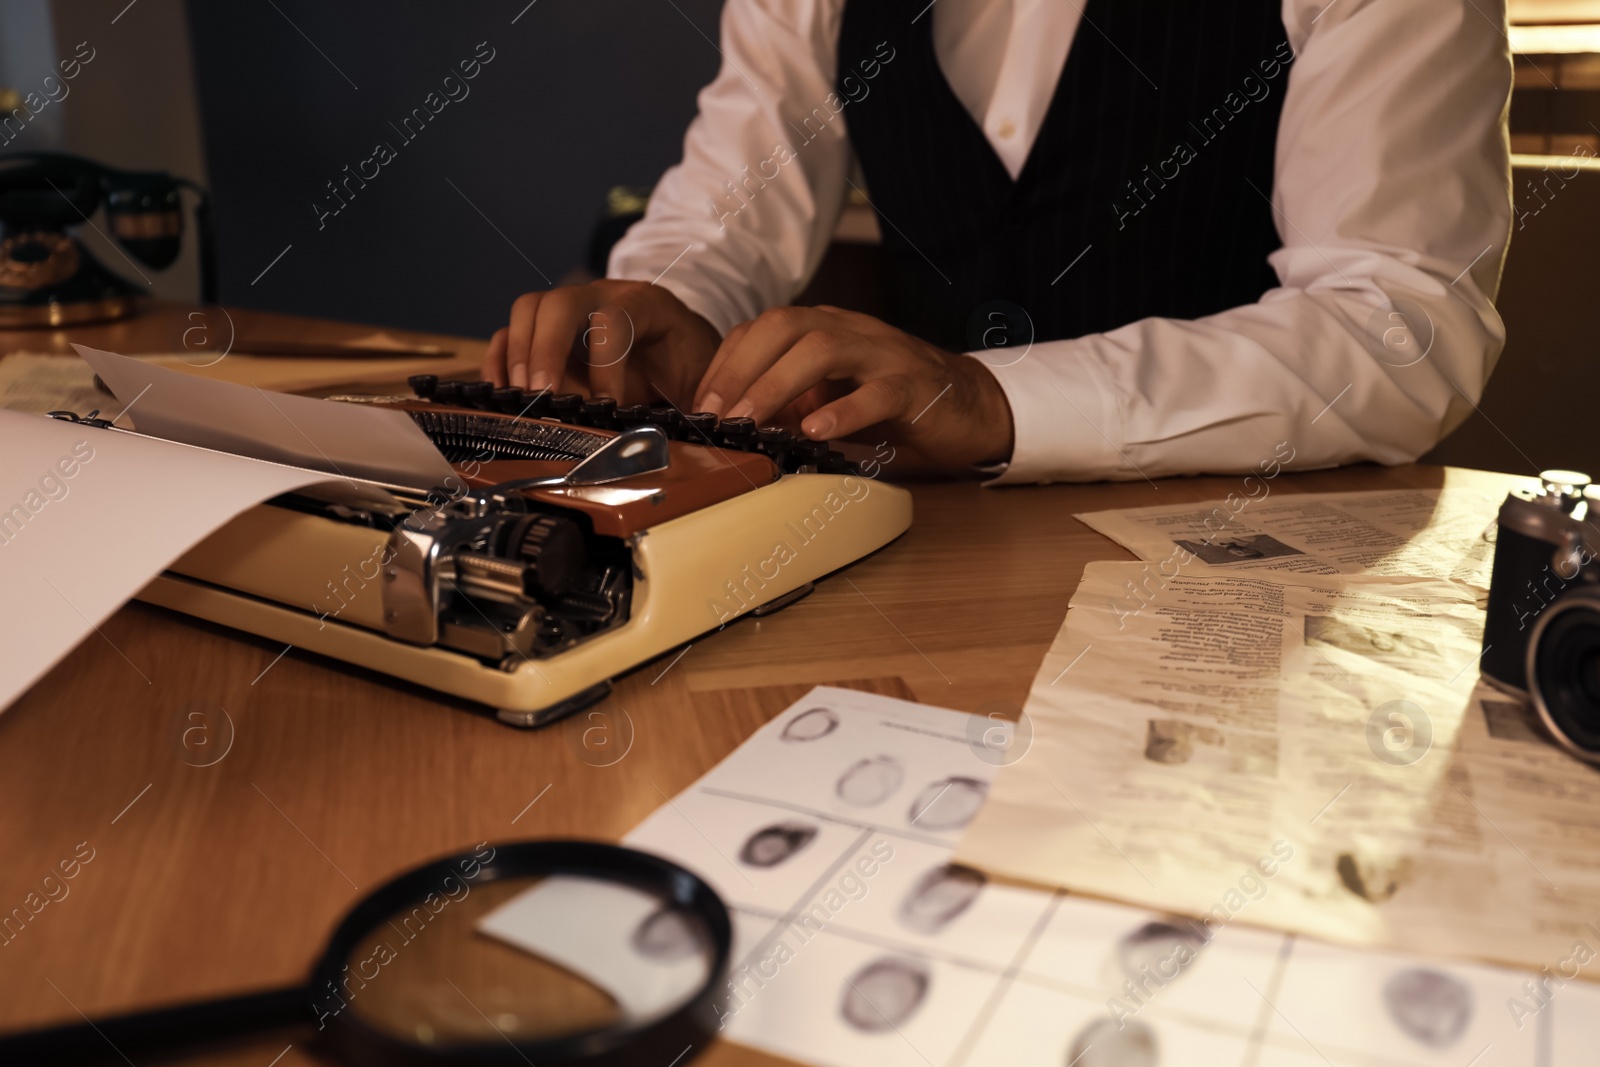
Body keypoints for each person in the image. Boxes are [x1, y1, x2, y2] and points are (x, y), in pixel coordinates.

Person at [484, 0, 1511, 483]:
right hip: (910, 563)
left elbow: (1399, 324)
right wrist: (670, 292)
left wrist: (996, 400)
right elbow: (732, 194)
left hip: (1256, 585)